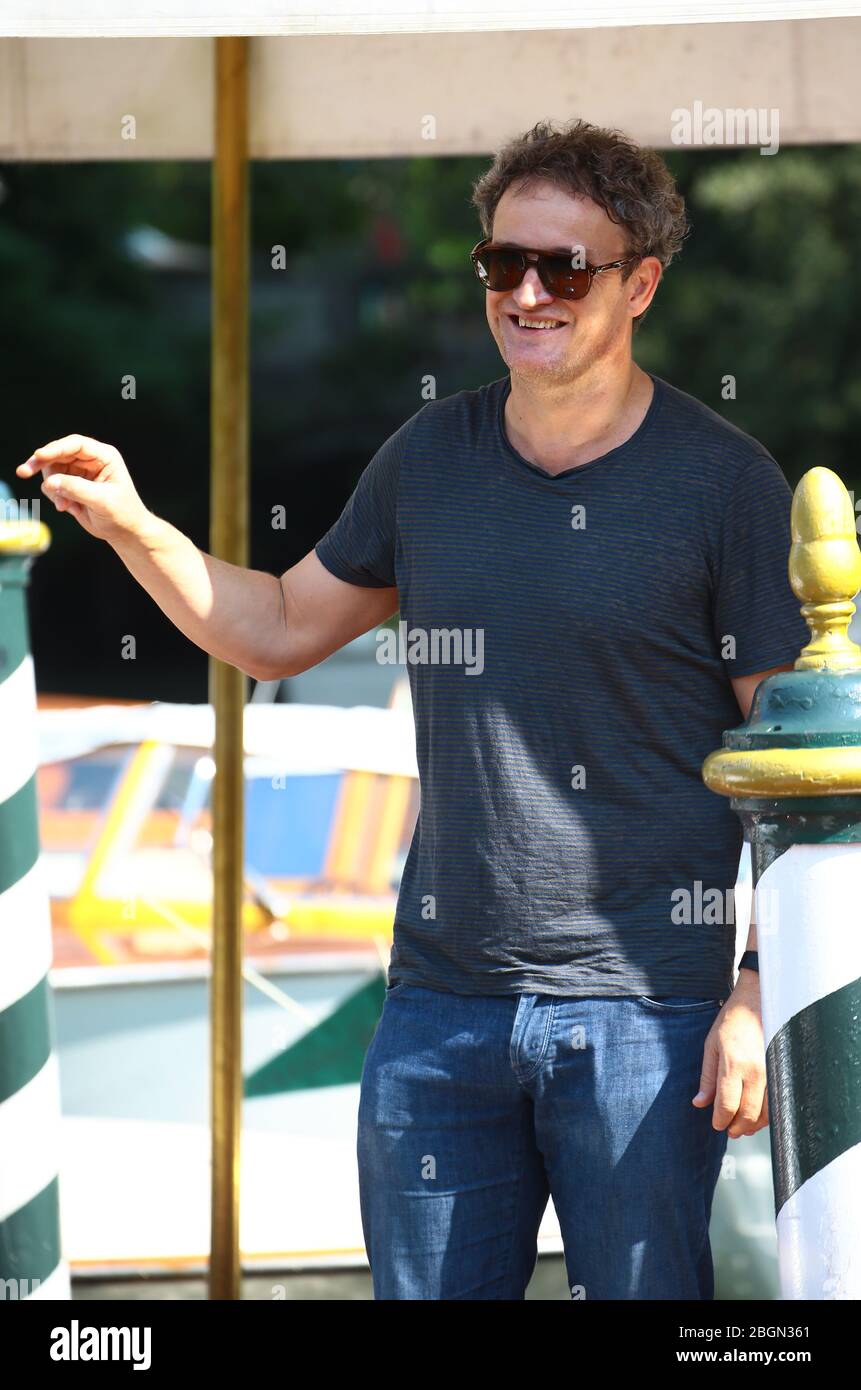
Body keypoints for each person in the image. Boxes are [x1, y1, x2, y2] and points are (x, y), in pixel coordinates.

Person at [17, 118, 809, 1301]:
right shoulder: (427, 459)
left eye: (565, 269)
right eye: (504, 264)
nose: (527, 292)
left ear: (640, 283)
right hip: (438, 1008)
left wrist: (755, 990)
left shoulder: (729, 484)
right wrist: (133, 521)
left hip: (651, 1018)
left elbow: (793, 767)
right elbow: (276, 626)